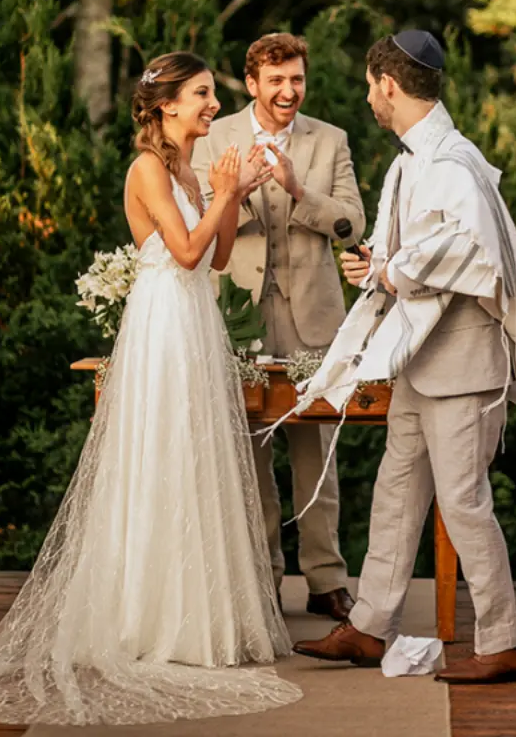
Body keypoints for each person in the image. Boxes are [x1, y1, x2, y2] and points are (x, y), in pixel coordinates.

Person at [0, 51, 302, 726]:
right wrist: (228, 194)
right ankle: (147, 622)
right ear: (166, 105)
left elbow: (220, 256)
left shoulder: (190, 171)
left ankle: (196, 620)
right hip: (163, 328)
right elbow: (186, 252)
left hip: (196, 324)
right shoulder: (145, 169)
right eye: (201, 95)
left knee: (195, 464)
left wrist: (239, 191)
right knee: (161, 458)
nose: (211, 107)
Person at [292, 30, 516, 684]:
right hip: (420, 365)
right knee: (396, 491)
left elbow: (463, 254)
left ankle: (505, 641)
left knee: (463, 502)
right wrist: (377, 266)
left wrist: (392, 272)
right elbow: (419, 255)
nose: (369, 97)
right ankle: (371, 627)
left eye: (370, 86)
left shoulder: (453, 164)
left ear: (388, 84)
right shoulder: (412, 163)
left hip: (462, 369)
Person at [193, 33, 365, 622]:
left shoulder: (331, 140)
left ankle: (326, 580)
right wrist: (236, 189)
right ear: (252, 84)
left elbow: (351, 223)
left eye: (296, 79)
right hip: (240, 317)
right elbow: (196, 218)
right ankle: (262, 581)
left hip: (313, 319)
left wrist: (296, 188)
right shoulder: (213, 139)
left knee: (318, 454)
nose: (289, 91)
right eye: (277, 81)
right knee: (250, 456)